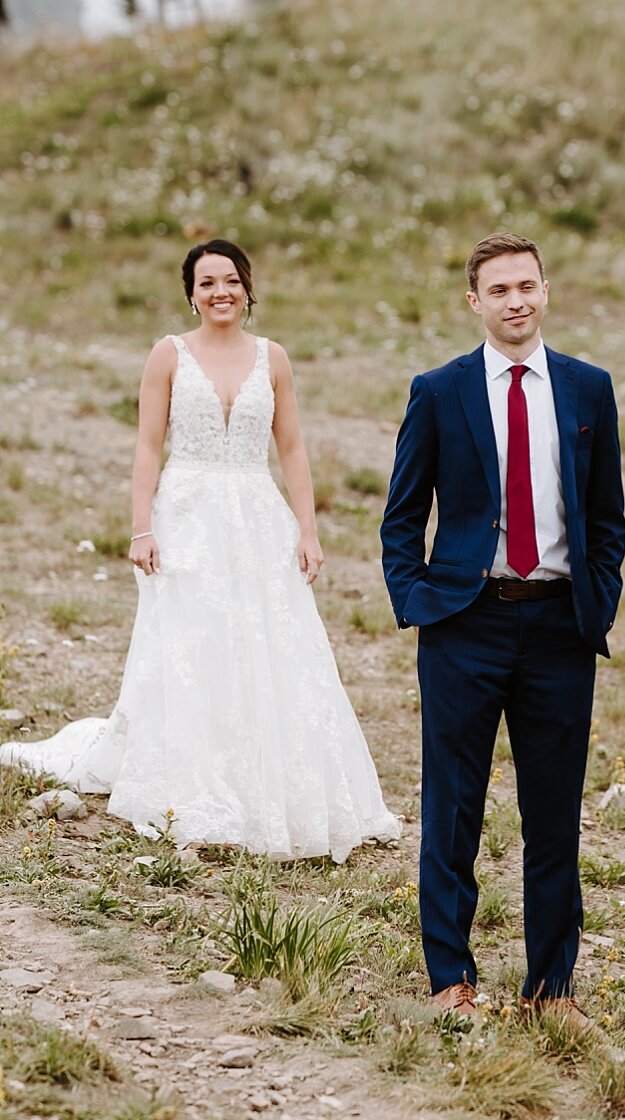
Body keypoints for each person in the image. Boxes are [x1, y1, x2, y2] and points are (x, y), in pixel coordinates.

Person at [1, 240, 401, 862]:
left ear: (248, 288)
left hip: (256, 515)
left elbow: (291, 448)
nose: (221, 292)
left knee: (269, 639)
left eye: (232, 280)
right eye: (208, 282)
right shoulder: (169, 355)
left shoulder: (274, 358)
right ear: (191, 292)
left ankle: (267, 782)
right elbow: (146, 446)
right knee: (190, 641)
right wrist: (141, 527)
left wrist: (307, 529)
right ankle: (191, 782)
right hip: (185, 513)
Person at [380, 233, 625, 1023]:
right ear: (474, 301)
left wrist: (600, 599)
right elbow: (402, 517)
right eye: (500, 290)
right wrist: (417, 599)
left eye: (528, 285)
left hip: (560, 625)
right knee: (453, 808)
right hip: (464, 623)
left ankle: (552, 990)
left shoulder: (589, 389)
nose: (516, 301)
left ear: (545, 291)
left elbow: (607, 515)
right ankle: (451, 979)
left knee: (553, 814)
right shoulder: (439, 390)